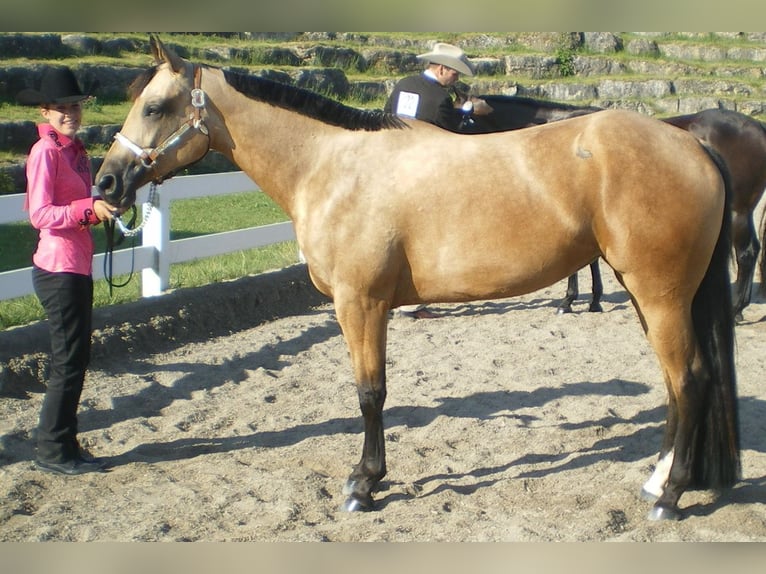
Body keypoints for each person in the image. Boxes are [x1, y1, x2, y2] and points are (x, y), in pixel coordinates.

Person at [17, 67, 120, 475]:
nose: (70, 114)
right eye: (61, 108)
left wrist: (103, 205)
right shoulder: (45, 153)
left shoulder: (76, 152)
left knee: (75, 359)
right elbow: (40, 214)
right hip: (59, 268)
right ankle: (52, 451)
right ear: (45, 111)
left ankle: (65, 445)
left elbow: (80, 203)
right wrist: (86, 211)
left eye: (74, 106)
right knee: (67, 361)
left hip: (75, 265)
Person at [384, 42, 492, 319]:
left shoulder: (403, 84)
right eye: (455, 74)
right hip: (423, 171)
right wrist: (467, 110)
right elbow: (450, 133)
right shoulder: (440, 98)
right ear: (442, 68)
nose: (456, 79)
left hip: (392, 164)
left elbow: (385, 116)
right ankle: (412, 303)